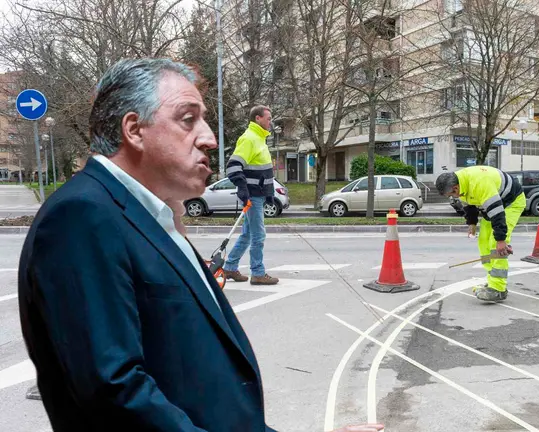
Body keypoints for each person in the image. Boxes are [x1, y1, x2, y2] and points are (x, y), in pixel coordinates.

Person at [17, 58, 383, 432]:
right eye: (188, 119)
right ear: (134, 129)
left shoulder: (146, 218)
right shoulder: (81, 216)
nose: (210, 138)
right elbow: (117, 395)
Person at [436, 165, 526, 302]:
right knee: (483, 242)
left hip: (510, 203)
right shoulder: (461, 183)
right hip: (492, 206)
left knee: (495, 244)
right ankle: (492, 281)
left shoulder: (479, 183)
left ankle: (498, 289)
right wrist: (471, 223)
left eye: (451, 195)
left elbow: (498, 213)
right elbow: (469, 205)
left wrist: (501, 240)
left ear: (455, 188)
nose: (453, 198)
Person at [221, 105, 279, 285]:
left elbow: (262, 170)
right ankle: (258, 273)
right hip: (252, 196)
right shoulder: (249, 139)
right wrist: (242, 188)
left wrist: (268, 193)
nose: (271, 122)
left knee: (247, 235)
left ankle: (230, 267)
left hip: (258, 195)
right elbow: (233, 166)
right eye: (268, 118)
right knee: (258, 236)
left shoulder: (260, 139)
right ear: (258, 119)